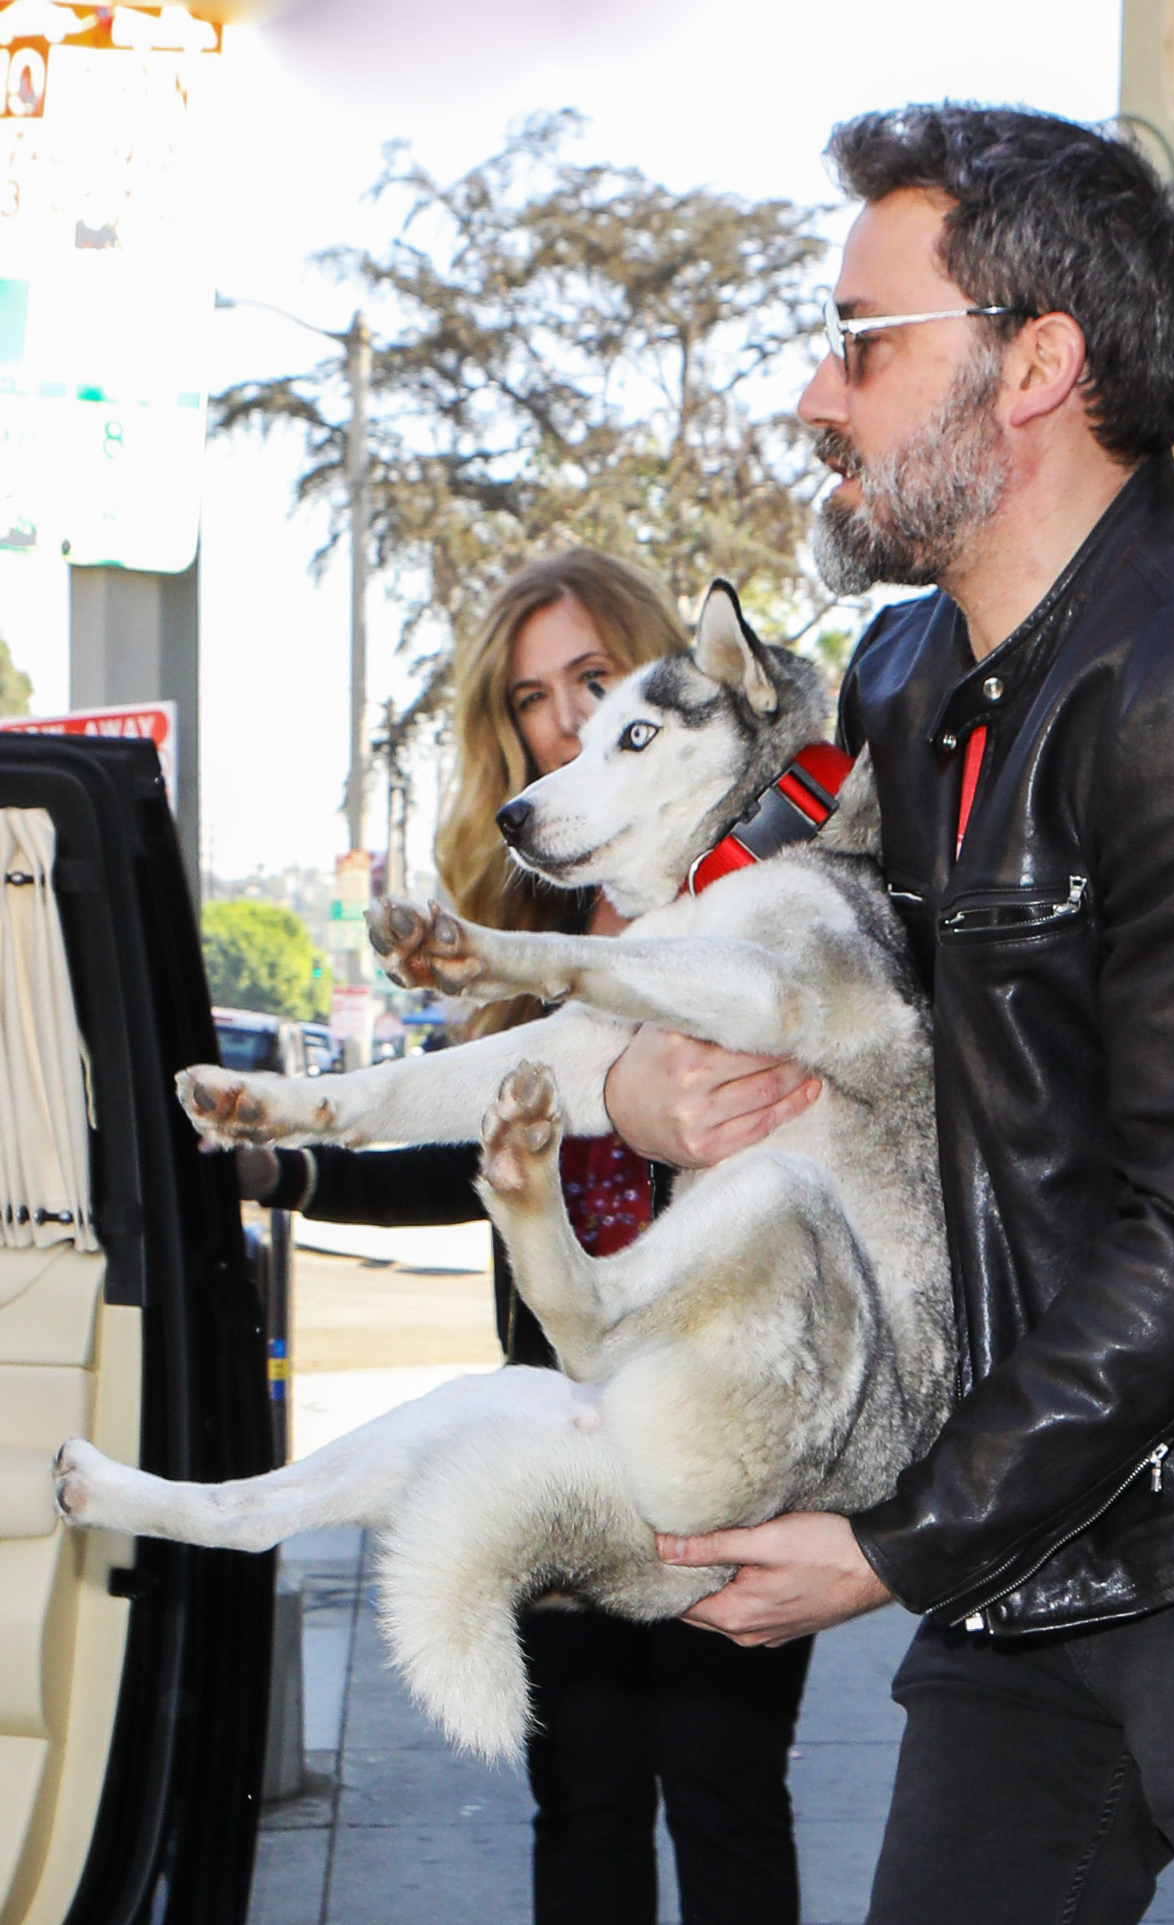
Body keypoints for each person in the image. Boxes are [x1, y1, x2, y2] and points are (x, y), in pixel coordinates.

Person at [605, 105, 1174, 1924]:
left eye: (865, 342)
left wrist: (895, 1541)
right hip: (1039, 1527)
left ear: (1037, 366)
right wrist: (641, 1079)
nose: (813, 392)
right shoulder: (910, 675)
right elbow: (814, 1001)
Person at [240, 549, 817, 1925]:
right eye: (532, 700)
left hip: (732, 1428)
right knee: (588, 1794)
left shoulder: (757, 896)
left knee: (725, 1785)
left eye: (594, 684)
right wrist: (292, 1168)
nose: (562, 721)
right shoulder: (533, 925)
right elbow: (474, 1160)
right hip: (563, 1427)